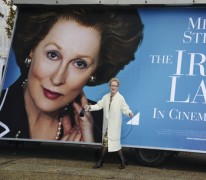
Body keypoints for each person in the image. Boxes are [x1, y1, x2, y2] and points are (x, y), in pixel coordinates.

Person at [0, 6, 143, 143]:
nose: (57, 79)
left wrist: (88, 149)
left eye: (79, 64)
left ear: (94, 72)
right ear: (32, 50)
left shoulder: (100, 122)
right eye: (53, 55)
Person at [84, 77, 133, 169]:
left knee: (115, 144)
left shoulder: (120, 98)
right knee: (106, 144)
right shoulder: (105, 97)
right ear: (109, 86)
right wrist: (89, 108)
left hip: (114, 125)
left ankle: (108, 162)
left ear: (118, 87)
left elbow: (125, 108)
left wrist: (129, 112)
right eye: (112, 85)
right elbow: (99, 105)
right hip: (106, 126)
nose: (113, 87)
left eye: (115, 85)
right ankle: (117, 161)